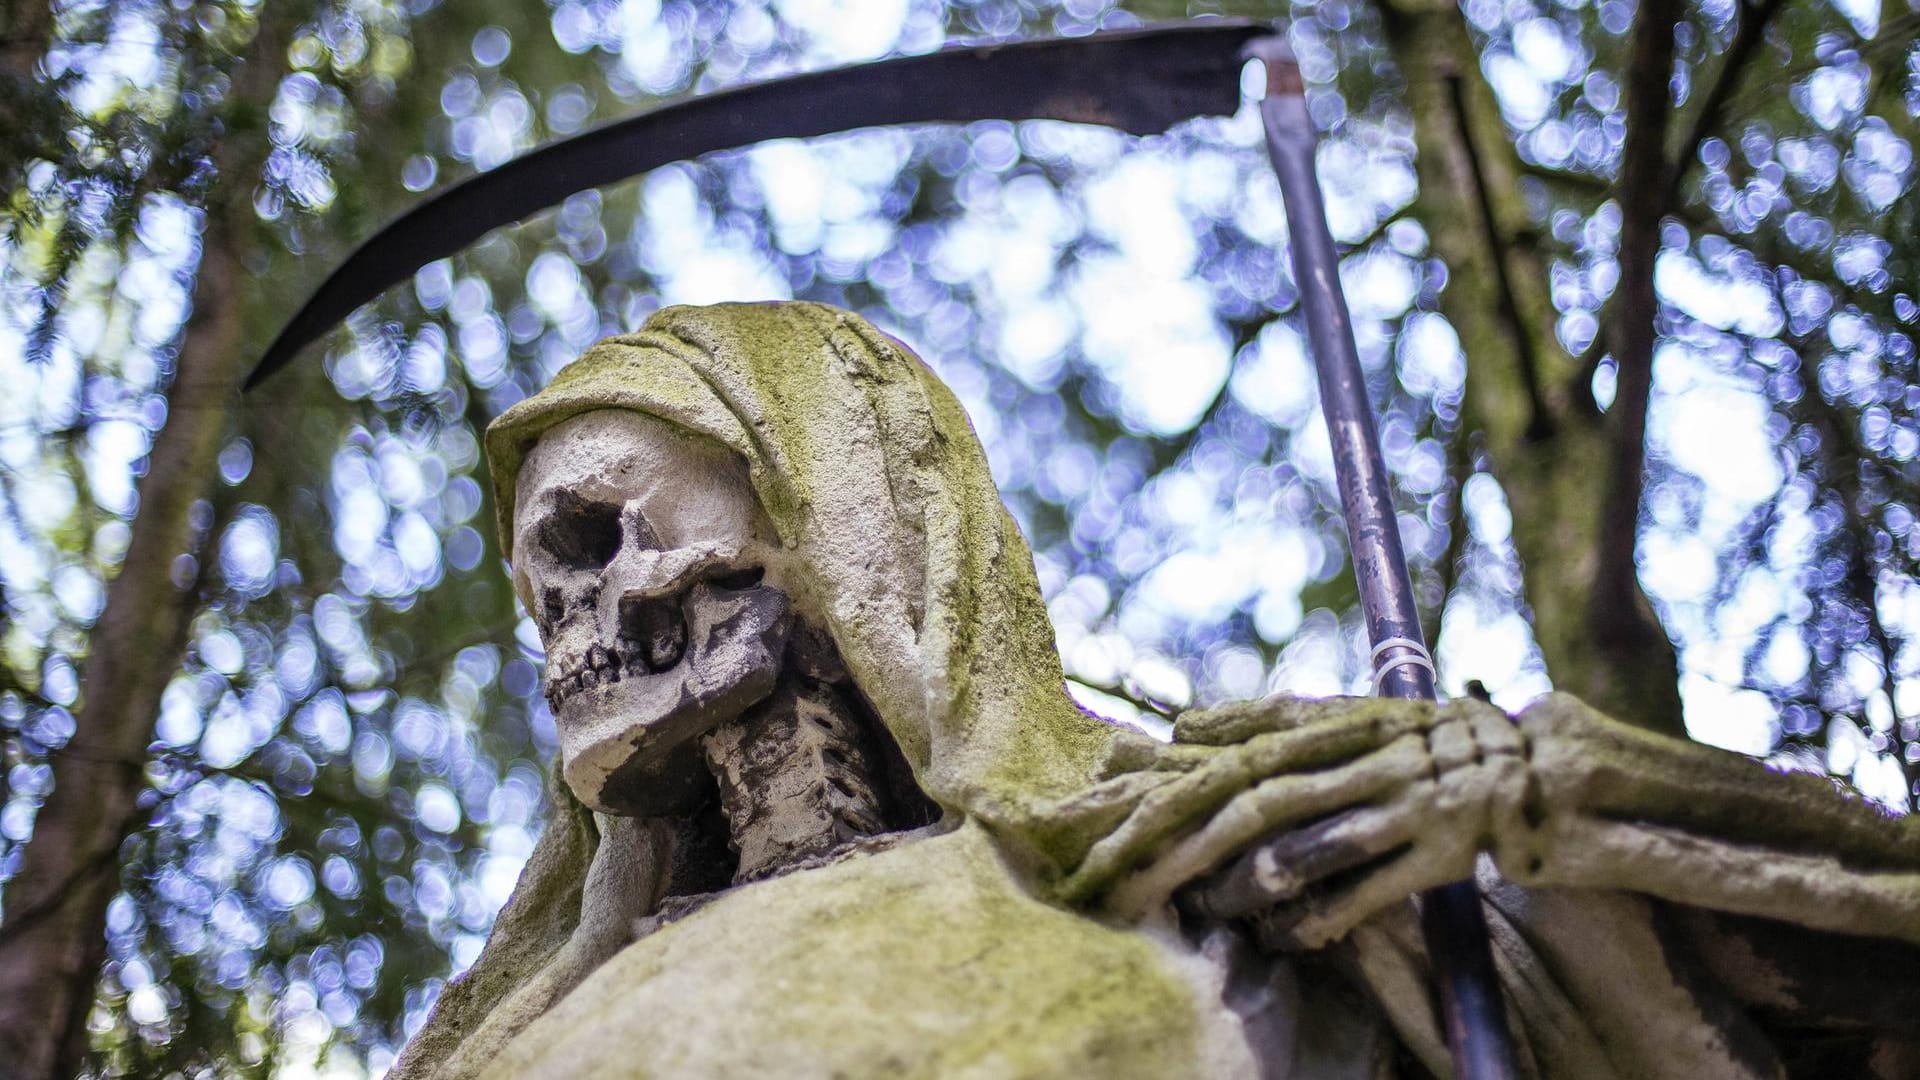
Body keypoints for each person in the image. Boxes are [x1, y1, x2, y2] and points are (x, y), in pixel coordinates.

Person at [395, 301, 1920, 1079]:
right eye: (546, 590)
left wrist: (1516, 804)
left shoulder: (1226, 858)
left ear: (835, 528)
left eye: (602, 541)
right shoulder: (533, 1026)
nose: (570, 626)